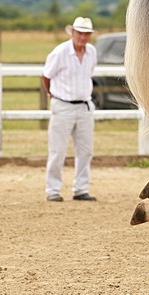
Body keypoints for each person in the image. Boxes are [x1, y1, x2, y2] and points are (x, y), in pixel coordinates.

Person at [42, 17, 98, 202]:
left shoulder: (91, 52)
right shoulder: (60, 52)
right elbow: (46, 75)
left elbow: (88, 75)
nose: (82, 36)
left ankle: (81, 189)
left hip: (84, 106)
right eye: (79, 33)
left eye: (86, 33)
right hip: (63, 105)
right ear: (73, 33)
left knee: (85, 150)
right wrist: (52, 94)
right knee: (57, 150)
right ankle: (53, 190)